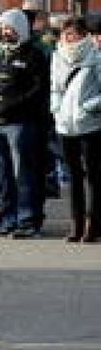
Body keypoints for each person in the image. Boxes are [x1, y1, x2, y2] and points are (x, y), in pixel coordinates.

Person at [0, 9, 50, 238]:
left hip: (21, 124)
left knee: (23, 173)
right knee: (2, 175)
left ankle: (27, 220)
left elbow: (38, 90)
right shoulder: (1, 54)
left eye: (10, 28)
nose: (6, 32)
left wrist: (12, 105)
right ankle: (7, 217)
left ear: (21, 28)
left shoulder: (34, 55)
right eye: (3, 28)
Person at [52, 15, 101, 243]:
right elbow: (55, 87)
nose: (66, 38)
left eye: (71, 33)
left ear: (83, 35)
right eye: (64, 34)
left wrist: (86, 107)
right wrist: (56, 109)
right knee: (73, 176)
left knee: (93, 175)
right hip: (65, 125)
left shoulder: (95, 56)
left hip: (89, 124)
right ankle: (76, 223)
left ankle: (93, 224)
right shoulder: (58, 56)